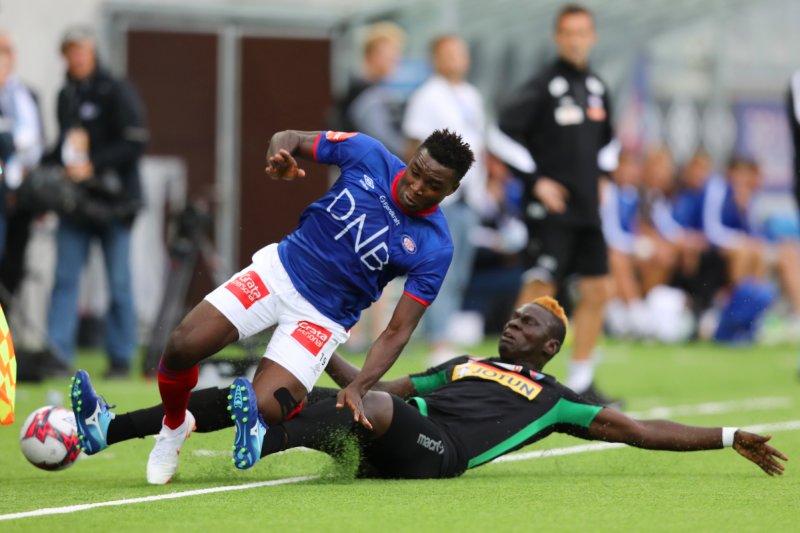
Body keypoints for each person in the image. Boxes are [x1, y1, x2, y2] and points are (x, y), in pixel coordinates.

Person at [71, 127, 474, 483]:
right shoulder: (367, 152)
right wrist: (277, 157)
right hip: (277, 272)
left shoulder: (434, 246)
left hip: (322, 318)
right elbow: (291, 138)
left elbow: (398, 329)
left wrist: (360, 385)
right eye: (416, 170)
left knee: (266, 406)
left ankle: (264, 419)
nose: (417, 185)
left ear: (450, 192)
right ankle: (173, 428)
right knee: (181, 346)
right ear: (413, 155)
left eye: (432, 184)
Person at [69, 296, 787, 480]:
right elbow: (375, 380)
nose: (512, 326)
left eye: (525, 324)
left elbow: (640, 429)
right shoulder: (464, 363)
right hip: (385, 421)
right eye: (512, 318)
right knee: (283, 391)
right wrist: (318, 352)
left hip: (436, 453)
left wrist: (726, 437)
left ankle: (269, 435)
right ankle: (113, 427)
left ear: (548, 345)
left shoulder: (557, 398)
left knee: (375, 405)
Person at [498, 4, 618, 403]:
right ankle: (511, 380)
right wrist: (537, 181)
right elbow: (501, 135)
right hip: (551, 211)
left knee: (598, 289)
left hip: (587, 210)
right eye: (568, 33)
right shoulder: (542, 85)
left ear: (594, 37)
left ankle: (581, 383)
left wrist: (604, 176)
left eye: (583, 32)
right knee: (539, 289)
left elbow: (610, 142)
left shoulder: (598, 86)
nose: (576, 40)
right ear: (557, 37)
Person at [45, 27, 148, 377]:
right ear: (65, 55)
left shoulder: (116, 90)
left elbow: (135, 142)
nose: (78, 57)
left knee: (118, 281)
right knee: (65, 277)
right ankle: (58, 355)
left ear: (93, 52)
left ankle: (120, 357)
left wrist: (95, 163)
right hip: (76, 202)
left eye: (83, 50)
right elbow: (64, 144)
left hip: (114, 202)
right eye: (71, 51)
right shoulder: (65, 95)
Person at [402, 34, 488, 362]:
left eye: (460, 53)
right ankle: (436, 341)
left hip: (470, 194)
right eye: (448, 54)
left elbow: (479, 141)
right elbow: (414, 145)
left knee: (461, 270)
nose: (456, 59)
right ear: (436, 58)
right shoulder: (427, 96)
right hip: (442, 197)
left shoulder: (471, 95)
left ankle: (445, 334)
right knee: (440, 268)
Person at [0, 31, 44, 298]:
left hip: (16, 194)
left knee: (10, 266)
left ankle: (5, 333)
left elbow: (36, 143)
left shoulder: (25, 95)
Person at [334, 21, 407, 158]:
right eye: (391, 57)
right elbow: (387, 142)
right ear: (373, 55)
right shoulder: (366, 96)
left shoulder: (375, 92)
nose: (396, 62)